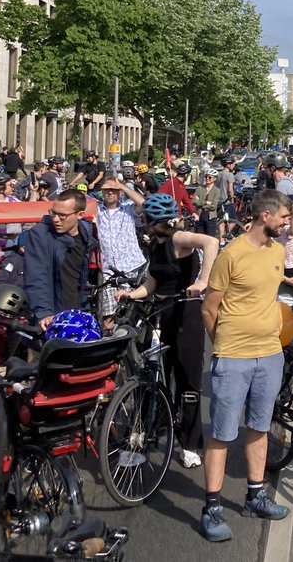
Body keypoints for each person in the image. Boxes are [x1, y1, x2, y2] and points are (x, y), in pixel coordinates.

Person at [197, 189, 292, 541]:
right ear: (264, 216)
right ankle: (212, 508)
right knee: (222, 434)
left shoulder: (278, 251)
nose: (288, 222)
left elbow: (268, 288)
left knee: (259, 427)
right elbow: (210, 307)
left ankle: (255, 495)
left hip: (270, 354)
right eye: (284, 216)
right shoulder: (231, 253)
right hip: (233, 356)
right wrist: (222, 346)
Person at [116, 191, 218, 471]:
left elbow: (211, 242)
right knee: (156, 371)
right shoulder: (157, 244)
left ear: (153, 221)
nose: (143, 223)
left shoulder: (178, 238)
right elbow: (151, 283)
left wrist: (202, 280)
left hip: (187, 313)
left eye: (145, 220)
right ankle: (156, 424)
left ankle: (189, 443)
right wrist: (130, 294)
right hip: (161, 313)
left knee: (188, 379)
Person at [23, 189, 98, 328]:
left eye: (62, 215)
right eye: (53, 213)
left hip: (74, 312)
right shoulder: (40, 234)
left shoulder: (86, 235)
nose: (56, 219)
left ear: (80, 215)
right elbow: (36, 276)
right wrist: (44, 312)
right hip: (49, 315)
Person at [93, 173, 147, 321]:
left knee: (130, 311)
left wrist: (121, 185)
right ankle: (111, 341)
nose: (110, 192)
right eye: (107, 189)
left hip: (131, 266)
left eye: (114, 190)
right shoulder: (96, 210)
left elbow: (143, 203)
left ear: (119, 192)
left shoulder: (128, 209)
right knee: (108, 314)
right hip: (108, 270)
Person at [193, 169, 225, 238]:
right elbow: (194, 201)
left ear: (215, 179)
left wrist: (200, 202)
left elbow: (213, 206)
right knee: (199, 238)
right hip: (199, 215)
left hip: (210, 217)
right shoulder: (199, 188)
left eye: (210, 177)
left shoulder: (217, 190)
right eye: (206, 177)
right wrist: (206, 202)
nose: (207, 178)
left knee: (210, 238)